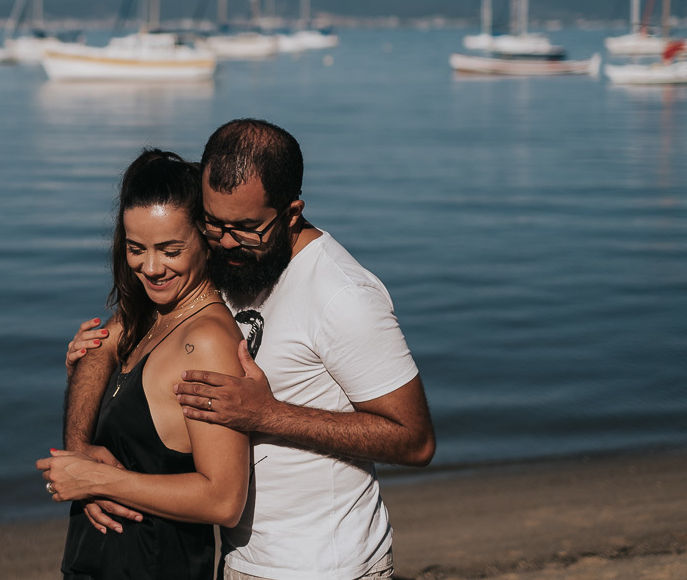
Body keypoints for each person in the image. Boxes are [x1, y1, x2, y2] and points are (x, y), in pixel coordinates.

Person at [65, 119, 435, 580]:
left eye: (245, 227)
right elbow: (116, 336)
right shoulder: (228, 256)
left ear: (292, 212)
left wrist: (268, 415)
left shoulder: (343, 296)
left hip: (325, 563)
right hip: (240, 558)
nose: (225, 241)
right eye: (212, 223)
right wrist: (81, 446)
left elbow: (415, 440)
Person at [37, 148, 249, 580]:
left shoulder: (204, 341)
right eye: (137, 249)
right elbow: (95, 353)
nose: (150, 268)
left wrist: (95, 481)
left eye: (170, 250)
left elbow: (223, 500)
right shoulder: (150, 315)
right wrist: (79, 446)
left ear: (205, 241)